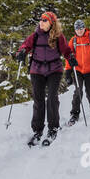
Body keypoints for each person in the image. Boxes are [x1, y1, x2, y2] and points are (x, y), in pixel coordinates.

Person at [16, 11, 74, 144]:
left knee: (52, 98)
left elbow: (66, 50)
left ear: (51, 23)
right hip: (37, 70)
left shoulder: (58, 36)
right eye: (41, 19)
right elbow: (25, 45)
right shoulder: (35, 35)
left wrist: (70, 57)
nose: (41, 22)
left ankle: (53, 128)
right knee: (38, 99)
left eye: (44, 20)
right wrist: (22, 52)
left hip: (54, 70)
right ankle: (37, 131)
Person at [65, 18, 90, 124]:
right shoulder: (73, 41)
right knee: (78, 92)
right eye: (77, 29)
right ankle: (74, 114)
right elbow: (69, 56)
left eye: (81, 28)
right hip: (78, 71)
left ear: (84, 28)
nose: (79, 31)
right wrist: (68, 71)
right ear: (75, 30)